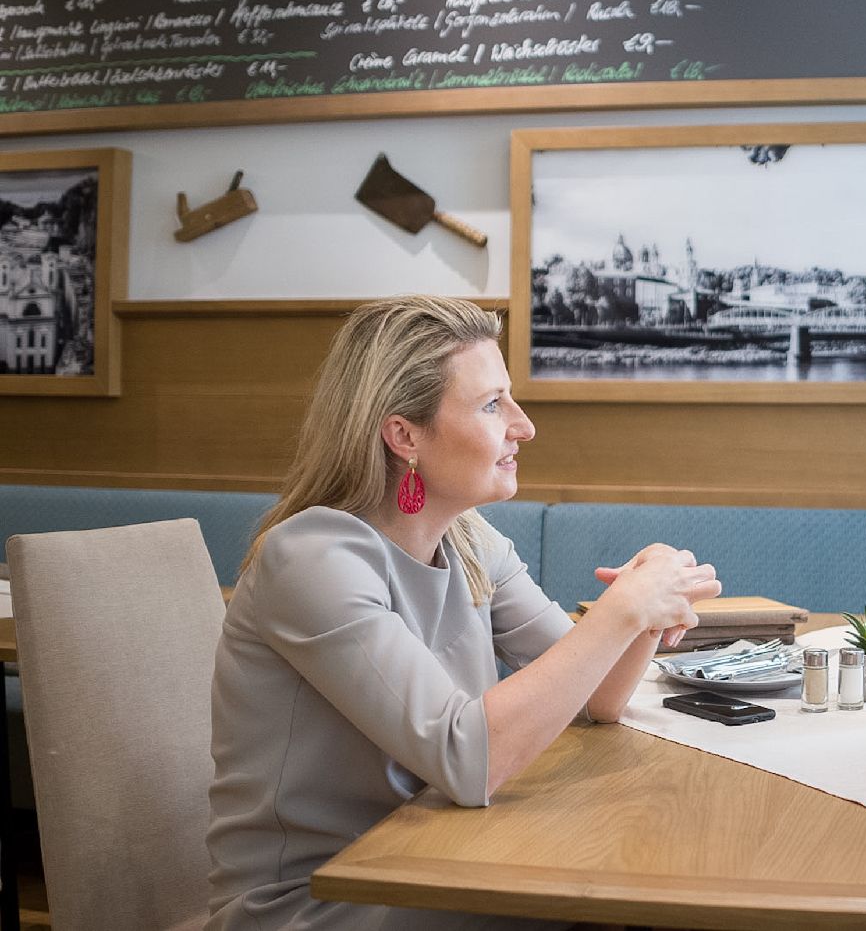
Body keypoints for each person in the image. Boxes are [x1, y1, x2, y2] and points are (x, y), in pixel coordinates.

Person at [206, 295, 721, 930]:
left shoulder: (469, 538)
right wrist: (620, 613)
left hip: (438, 855)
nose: (524, 426)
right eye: (490, 405)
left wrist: (645, 605)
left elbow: (597, 701)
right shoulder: (311, 559)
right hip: (321, 900)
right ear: (404, 435)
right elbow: (469, 759)